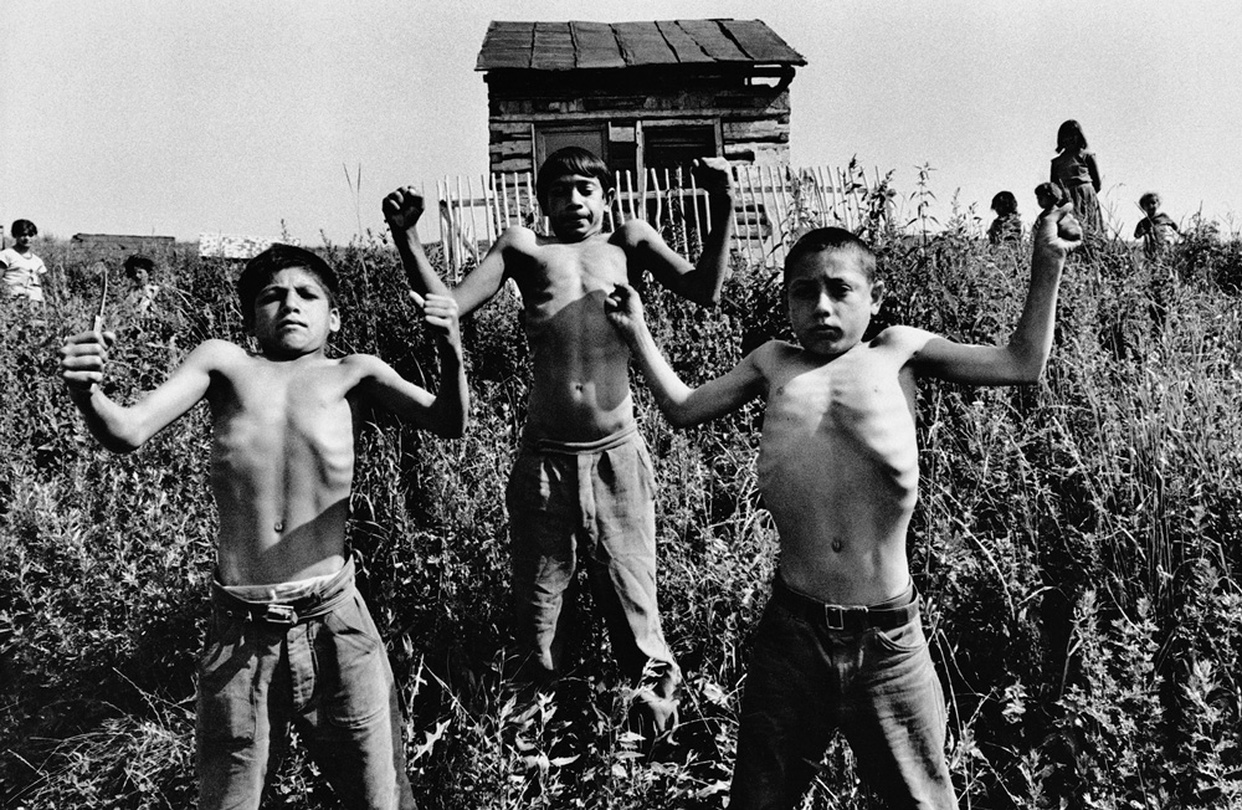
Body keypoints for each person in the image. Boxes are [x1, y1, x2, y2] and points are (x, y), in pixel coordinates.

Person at [604, 204, 1079, 808]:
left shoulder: (898, 351)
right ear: (786, 303)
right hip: (792, 635)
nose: (822, 307)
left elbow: (1021, 363)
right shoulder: (772, 362)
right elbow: (683, 408)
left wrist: (1048, 262)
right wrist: (637, 332)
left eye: (840, 290)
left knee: (924, 800)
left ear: (874, 299)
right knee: (760, 798)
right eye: (804, 293)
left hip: (887, 639)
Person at [59, 244, 469, 810]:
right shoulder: (223, 363)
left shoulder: (354, 372)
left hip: (335, 623)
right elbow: (127, 431)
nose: (290, 306)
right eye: (271, 297)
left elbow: (448, 421)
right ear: (252, 317)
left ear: (335, 316)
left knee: (380, 797)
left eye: (307, 295)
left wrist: (450, 352)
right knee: (230, 799)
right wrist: (89, 393)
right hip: (241, 631)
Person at [383, 146, 736, 735]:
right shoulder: (524, 248)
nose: (573, 201)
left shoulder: (628, 242)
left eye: (585, 190)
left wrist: (722, 204)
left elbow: (706, 289)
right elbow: (448, 307)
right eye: (559, 191)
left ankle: (656, 731)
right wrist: (407, 238)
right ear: (541, 202)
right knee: (539, 603)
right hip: (545, 459)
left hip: (617, 454)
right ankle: (528, 744)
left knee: (634, 597)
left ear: (606, 198)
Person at [1050, 119, 1104, 237]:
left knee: (1090, 231)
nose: (1069, 139)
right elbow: (1053, 187)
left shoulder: (1087, 156)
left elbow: (1097, 184)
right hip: (1067, 201)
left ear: (1079, 136)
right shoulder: (1056, 162)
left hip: (1086, 197)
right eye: (1065, 136)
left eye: (1072, 135)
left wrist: (1085, 194)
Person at [1, 218, 48, 302]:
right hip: (13, 303)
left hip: (35, 304)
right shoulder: (6, 255)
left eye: (30, 235)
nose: (27, 238)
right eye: (23, 235)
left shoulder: (37, 261)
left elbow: (45, 285)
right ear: (15, 235)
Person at [1134, 191, 1180, 259]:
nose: (1150, 206)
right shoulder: (1143, 222)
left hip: (1165, 245)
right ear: (1143, 207)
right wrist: (1141, 232)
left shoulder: (1163, 217)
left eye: (1153, 203)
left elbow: (1175, 227)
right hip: (1150, 248)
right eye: (1147, 204)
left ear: (1158, 204)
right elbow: (1136, 235)